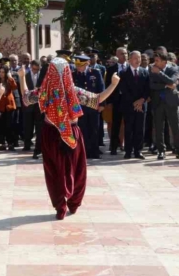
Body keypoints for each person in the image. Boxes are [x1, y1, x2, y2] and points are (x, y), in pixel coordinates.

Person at [18, 59, 120, 220]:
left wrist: (22, 77)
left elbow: (25, 98)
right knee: (76, 169)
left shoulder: (45, 91)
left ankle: (61, 206)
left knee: (55, 172)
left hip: (51, 134)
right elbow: (97, 99)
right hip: (69, 134)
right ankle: (72, 203)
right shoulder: (73, 91)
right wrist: (113, 84)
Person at [149, 52, 179, 160]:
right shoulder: (152, 69)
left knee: (175, 127)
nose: (154, 63)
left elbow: (172, 81)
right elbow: (152, 85)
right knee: (159, 127)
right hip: (158, 102)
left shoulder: (173, 69)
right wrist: (166, 85)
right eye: (154, 60)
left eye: (157, 61)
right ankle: (161, 151)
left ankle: (178, 150)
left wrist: (160, 74)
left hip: (171, 101)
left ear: (164, 62)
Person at [72, 55, 105, 159]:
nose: (78, 67)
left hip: (93, 106)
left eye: (80, 65)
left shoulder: (95, 73)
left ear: (87, 64)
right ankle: (84, 151)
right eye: (77, 65)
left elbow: (101, 88)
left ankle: (94, 151)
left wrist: (102, 104)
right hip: (80, 107)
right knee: (83, 129)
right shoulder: (73, 75)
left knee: (94, 129)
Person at [118, 51, 149, 159]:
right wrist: (135, 103)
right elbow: (124, 90)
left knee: (140, 128)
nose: (138, 60)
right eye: (135, 58)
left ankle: (138, 150)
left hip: (141, 105)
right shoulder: (123, 73)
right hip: (128, 105)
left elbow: (147, 89)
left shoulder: (145, 72)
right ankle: (128, 151)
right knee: (129, 128)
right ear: (130, 60)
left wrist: (142, 100)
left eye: (139, 58)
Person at [0, 64, 18, 151]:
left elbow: (15, 87)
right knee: (0, 125)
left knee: (10, 125)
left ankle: (11, 143)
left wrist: (10, 77)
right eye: (0, 72)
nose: (1, 74)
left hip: (9, 105)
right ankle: (3, 143)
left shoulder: (9, 80)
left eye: (3, 72)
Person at [106, 47, 128, 155]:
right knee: (116, 124)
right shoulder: (111, 69)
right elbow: (107, 86)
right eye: (122, 54)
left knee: (128, 124)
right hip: (116, 100)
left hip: (129, 101)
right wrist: (108, 102)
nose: (125, 55)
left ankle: (128, 146)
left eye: (126, 53)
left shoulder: (130, 67)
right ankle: (114, 147)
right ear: (117, 55)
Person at [22, 60, 42, 157]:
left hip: (39, 105)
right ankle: (27, 144)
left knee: (39, 126)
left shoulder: (42, 76)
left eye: (37, 69)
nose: (35, 71)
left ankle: (38, 146)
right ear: (31, 67)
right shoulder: (25, 76)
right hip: (28, 105)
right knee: (28, 125)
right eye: (34, 69)